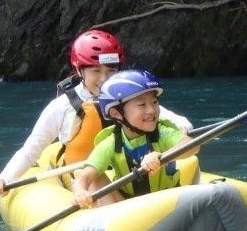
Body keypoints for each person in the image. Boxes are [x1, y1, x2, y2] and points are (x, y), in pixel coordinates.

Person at [0, 30, 192, 196]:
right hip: (83, 176)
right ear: (79, 71)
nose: (104, 78)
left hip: (127, 169)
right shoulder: (62, 107)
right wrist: (4, 178)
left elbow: (176, 121)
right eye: (96, 71)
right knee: (95, 179)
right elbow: (31, 149)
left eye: (111, 70)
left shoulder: (130, 98)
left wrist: (181, 128)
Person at [72, 69, 200, 208]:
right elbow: (84, 177)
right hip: (128, 208)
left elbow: (192, 146)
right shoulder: (110, 143)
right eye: (142, 105)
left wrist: (162, 157)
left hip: (167, 202)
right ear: (116, 113)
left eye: (154, 102)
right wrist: (80, 192)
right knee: (95, 179)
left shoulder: (163, 132)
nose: (152, 110)